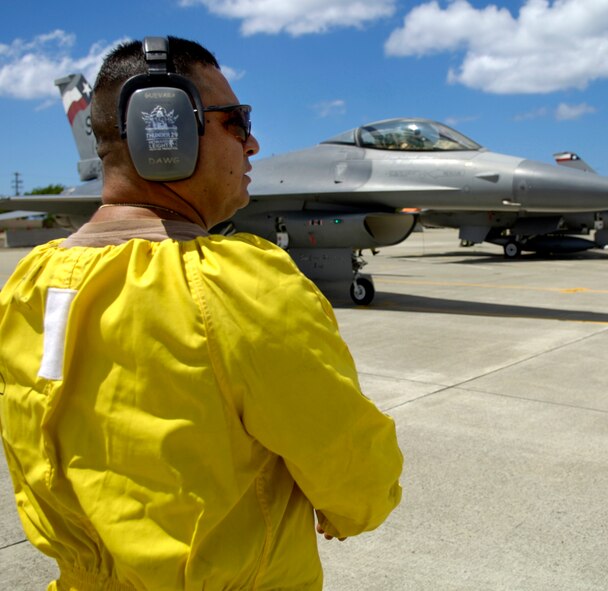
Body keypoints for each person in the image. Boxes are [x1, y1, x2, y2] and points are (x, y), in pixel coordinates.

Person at [0, 36, 402, 590]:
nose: (254, 144)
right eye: (236, 122)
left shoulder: (27, 286)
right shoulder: (242, 288)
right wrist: (356, 508)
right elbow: (354, 469)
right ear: (162, 131)